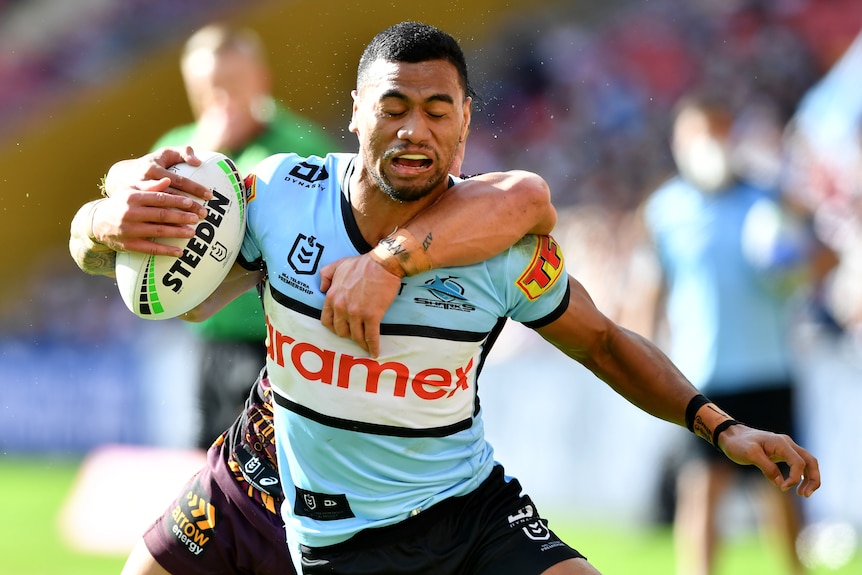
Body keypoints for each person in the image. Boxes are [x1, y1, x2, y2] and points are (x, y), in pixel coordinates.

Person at [72, 22, 820, 575]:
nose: (414, 129)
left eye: (437, 110)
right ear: (357, 113)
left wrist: (719, 427)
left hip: (459, 510)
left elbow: (601, 340)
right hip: (262, 482)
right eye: (394, 106)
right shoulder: (278, 196)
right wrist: (102, 221)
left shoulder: (503, 245)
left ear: (465, 126)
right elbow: (175, 284)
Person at [639, 93, 826, 575]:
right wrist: (642, 361)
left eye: (719, 132)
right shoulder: (665, 210)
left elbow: (827, 256)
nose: (710, 145)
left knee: (782, 492)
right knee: (701, 491)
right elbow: (651, 290)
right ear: (679, 142)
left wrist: (796, 264)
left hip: (768, 367)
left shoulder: (769, 199)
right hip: (703, 375)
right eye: (699, 135)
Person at [154, 22, 337, 447]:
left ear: (262, 81)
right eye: (205, 90)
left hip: (279, 345)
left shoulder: (299, 146)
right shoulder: (177, 145)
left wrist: (210, 157)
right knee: (208, 467)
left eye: (231, 85)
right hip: (208, 343)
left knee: (266, 475)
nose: (219, 100)